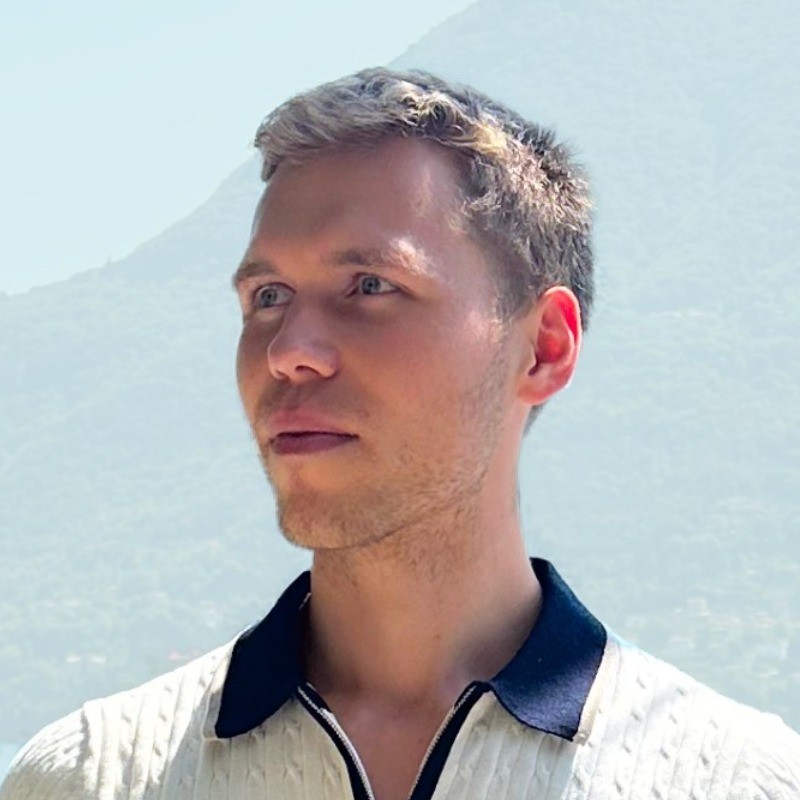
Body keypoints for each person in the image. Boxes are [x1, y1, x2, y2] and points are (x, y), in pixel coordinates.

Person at [2, 67, 798, 800]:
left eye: (369, 285)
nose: (289, 352)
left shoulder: (737, 780)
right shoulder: (89, 777)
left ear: (543, 349)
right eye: (269, 295)